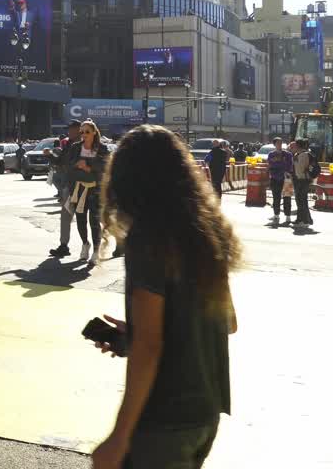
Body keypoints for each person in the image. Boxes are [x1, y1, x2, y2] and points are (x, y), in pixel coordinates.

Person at [89, 125, 240, 469]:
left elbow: (150, 347)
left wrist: (119, 436)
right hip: (205, 412)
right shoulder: (205, 230)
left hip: (163, 418)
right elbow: (227, 322)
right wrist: (139, 331)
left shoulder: (147, 237)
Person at [64, 119, 109, 267]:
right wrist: (77, 164)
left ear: (94, 132)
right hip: (79, 188)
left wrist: (89, 167)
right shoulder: (76, 147)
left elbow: (105, 167)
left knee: (94, 221)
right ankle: (85, 244)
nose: (83, 135)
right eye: (81, 132)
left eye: (87, 132)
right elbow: (68, 165)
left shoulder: (102, 148)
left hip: (96, 189)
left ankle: (96, 251)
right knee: (81, 219)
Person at [49, 120, 82, 258]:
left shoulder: (85, 143)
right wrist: (50, 155)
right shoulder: (68, 143)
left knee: (88, 219)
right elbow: (61, 161)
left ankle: (96, 245)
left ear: (78, 129)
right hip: (69, 185)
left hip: (84, 186)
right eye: (69, 129)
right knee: (66, 215)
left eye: (71, 129)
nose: (69, 132)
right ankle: (64, 245)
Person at [266, 137, 294, 226]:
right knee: (276, 197)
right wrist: (280, 163)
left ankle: (288, 215)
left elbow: (289, 165)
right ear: (274, 144)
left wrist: (278, 163)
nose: (280, 145)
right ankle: (276, 214)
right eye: (278, 143)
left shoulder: (288, 154)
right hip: (274, 178)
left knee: (287, 197)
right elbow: (271, 165)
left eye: (281, 143)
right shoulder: (271, 154)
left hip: (286, 178)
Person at [291, 138, 317, 231]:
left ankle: (305, 220)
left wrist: (295, 160)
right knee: (299, 201)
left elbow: (301, 168)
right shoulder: (298, 155)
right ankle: (301, 219)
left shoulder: (304, 155)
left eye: (295, 145)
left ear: (298, 146)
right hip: (299, 179)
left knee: (302, 201)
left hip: (303, 180)